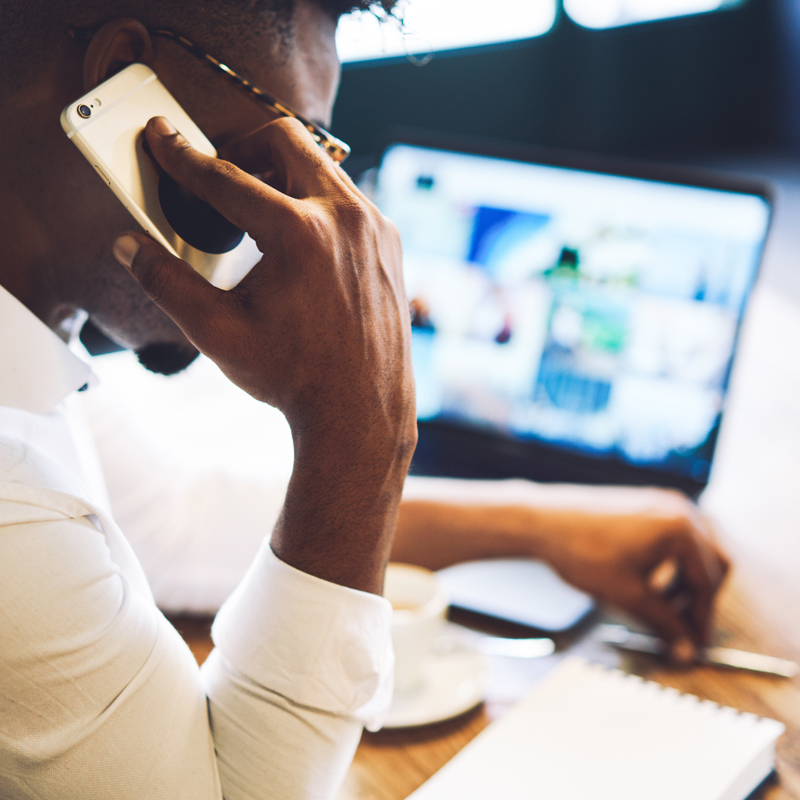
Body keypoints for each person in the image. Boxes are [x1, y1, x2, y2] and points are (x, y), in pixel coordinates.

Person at [0, 1, 729, 798]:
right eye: (296, 141)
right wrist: (362, 433)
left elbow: (176, 520)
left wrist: (540, 523)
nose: (320, 208)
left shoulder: (31, 349)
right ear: (118, 82)